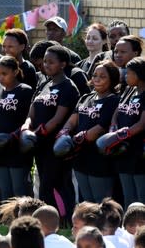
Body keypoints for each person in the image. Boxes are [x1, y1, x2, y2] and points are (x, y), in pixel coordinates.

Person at [21, 45, 79, 216]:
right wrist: (26, 128)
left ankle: (63, 219)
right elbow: (32, 112)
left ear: (62, 64)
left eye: (51, 62)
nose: (46, 65)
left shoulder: (68, 87)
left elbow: (58, 118)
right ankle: (48, 218)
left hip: (56, 146)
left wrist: (37, 133)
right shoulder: (44, 84)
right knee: (45, 185)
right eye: (45, 61)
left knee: (56, 184)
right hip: (40, 145)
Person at [58, 61, 120, 202]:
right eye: (95, 75)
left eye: (102, 76)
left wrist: (81, 137)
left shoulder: (114, 101)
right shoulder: (85, 98)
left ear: (112, 79)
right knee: (86, 201)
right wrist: (65, 132)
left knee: (101, 202)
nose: (97, 79)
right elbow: (72, 120)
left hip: (99, 159)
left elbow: (101, 128)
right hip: (80, 157)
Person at [0, 56, 34, 200]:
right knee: (5, 190)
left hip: (17, 148)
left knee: (19, 190)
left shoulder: (25, 90)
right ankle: (7, 222)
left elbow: (30, 118)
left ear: (15, 72)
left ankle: (23, 221)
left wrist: (13, 136)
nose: (0, 77)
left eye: (4, 73)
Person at [106, 57, 145, 206]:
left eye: (129, 73)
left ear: (139, 74)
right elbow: (118, 110)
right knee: (127, 193)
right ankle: (129, 226)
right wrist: (114, 126)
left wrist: (120, 135)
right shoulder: (129, 90)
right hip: (122, 150)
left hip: (138, 152)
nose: (125, 76)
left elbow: (142, 124)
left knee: (141, 195)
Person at [0, 28, 37, 95]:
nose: (6, 50)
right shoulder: (1, 67)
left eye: (10, 47)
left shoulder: (28, 69)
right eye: (4, 46)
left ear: (22, 47)